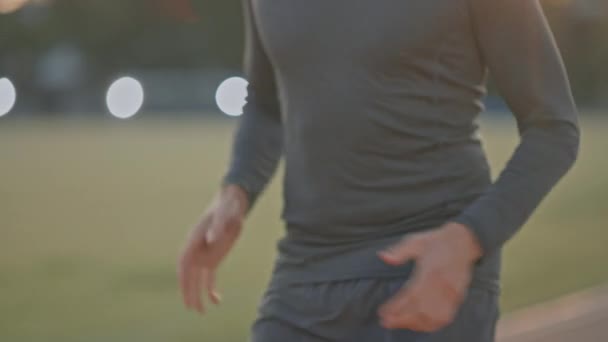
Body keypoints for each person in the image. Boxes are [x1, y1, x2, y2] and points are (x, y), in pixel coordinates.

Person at [178, 0, 580, 341]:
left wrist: (469, 238)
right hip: (306, 268)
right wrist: (235, 191)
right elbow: (266, 105)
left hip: (432, 263)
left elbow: (553, 128)